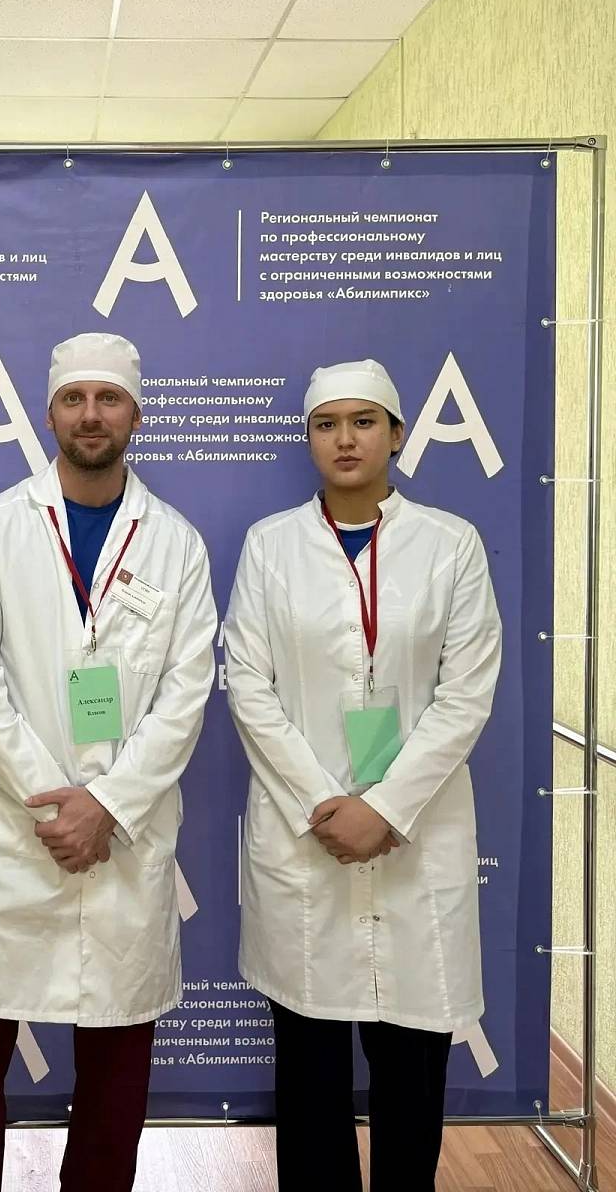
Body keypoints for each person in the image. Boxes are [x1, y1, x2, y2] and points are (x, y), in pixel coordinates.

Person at [0, 332, 216, 1192]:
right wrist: (58, 805)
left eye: (108, 398)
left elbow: (186, 694)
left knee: (116, 1082)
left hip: (121, 842)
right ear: (48, 415)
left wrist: (106, 805)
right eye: (74, 399)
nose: (91, 415)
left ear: (136, 415)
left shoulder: (177, 544)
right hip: (13, 840)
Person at [224, 358, 501, 1192]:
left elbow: (467, 692)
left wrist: (384, 808)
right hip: (305, 837)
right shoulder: (270, 546)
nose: (345, 439)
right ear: (309, 439)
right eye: (326, 424)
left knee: (413, 1070)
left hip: (417, 835)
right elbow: (249, 686)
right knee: (309, 1072)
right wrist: (324, 802)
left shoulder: (451, 544)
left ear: (398, 435)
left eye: (364, 421)